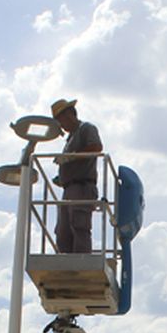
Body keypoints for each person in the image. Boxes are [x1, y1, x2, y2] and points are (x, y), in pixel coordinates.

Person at [49, 97, 102, 254]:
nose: (61, 125)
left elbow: (96, 147)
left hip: (82, 186)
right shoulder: (70, 139)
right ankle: (66, 262)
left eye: (61, 120)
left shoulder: (86, 129)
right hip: (70, 188)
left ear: (71, 114)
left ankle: (81, 261)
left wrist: (71, 156)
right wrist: (63, 176)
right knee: (63, 231)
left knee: (79, 225)